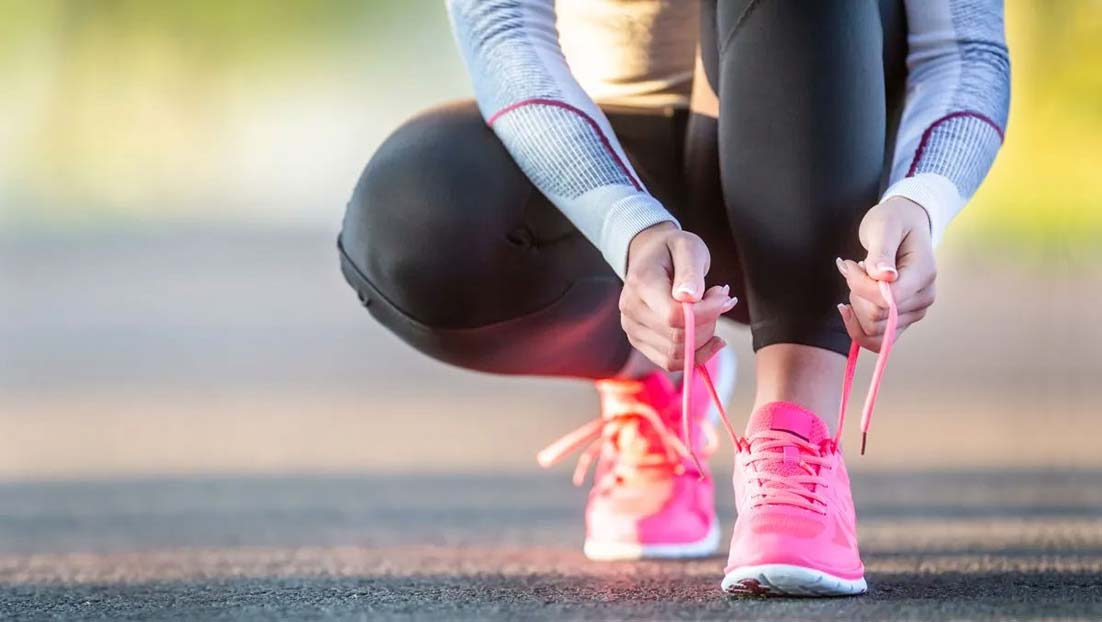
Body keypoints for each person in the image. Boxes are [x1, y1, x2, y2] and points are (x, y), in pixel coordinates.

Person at [338, 0, 1009, 597]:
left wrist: (923, 197)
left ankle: (795, 438)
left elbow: (965, 49)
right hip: (612, 164)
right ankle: (658, 376)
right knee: (412, 220)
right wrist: (628, 229)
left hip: (828, 139)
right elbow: (503, 29)